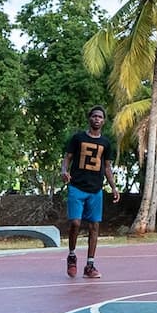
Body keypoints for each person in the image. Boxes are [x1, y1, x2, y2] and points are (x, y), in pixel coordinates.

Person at [60, 107, 120, 279]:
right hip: (77, 187)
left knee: (94, 226)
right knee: (76, 223)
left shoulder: (106, 143)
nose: (97, 119)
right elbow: (67, 158)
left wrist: (114, 187)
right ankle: (72, 256)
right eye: (94, 116)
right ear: (89, 118)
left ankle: (90, 265)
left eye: (100, 117)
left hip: (96, 190)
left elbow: (107, 167)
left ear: (104, 121)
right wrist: (64, 171)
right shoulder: (78, 138)